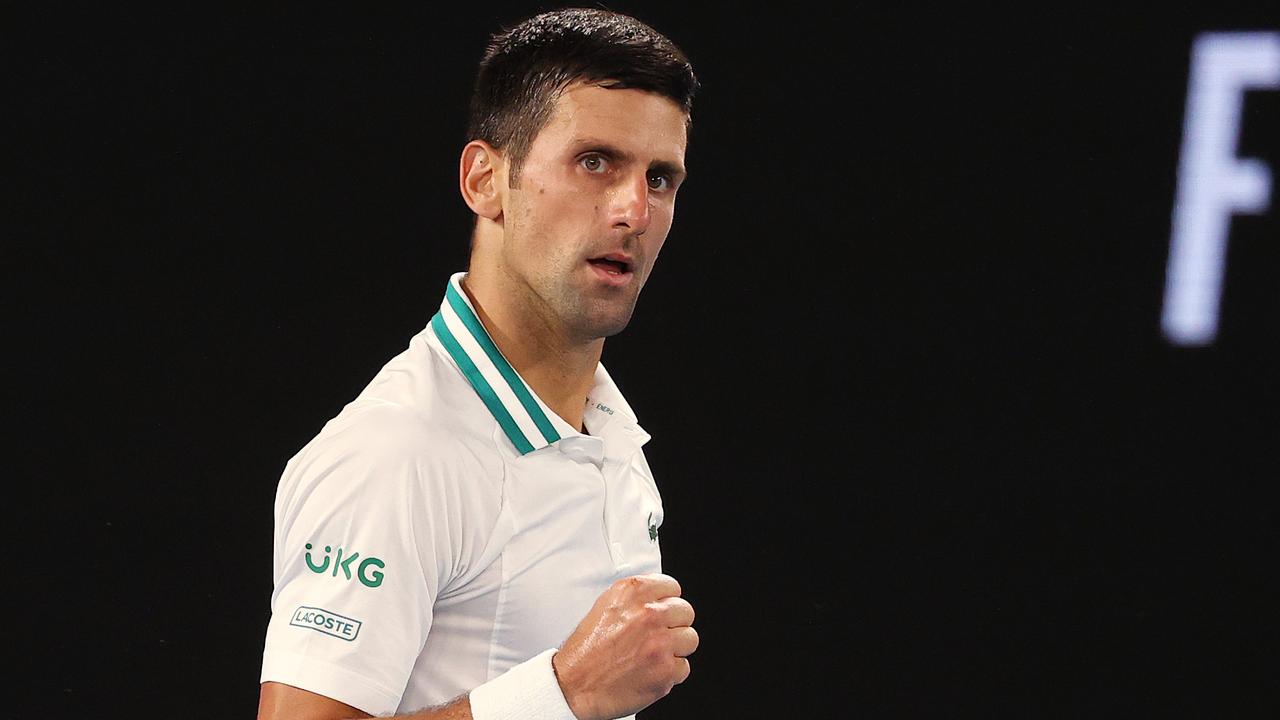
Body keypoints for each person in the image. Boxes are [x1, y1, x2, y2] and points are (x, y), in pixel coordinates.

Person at [256, 8, 699, 720]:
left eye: (660, 179)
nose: (634, 210)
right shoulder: (396, 452)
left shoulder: (613, 438)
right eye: (595, 162)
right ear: (485, 180)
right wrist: (563, 692)